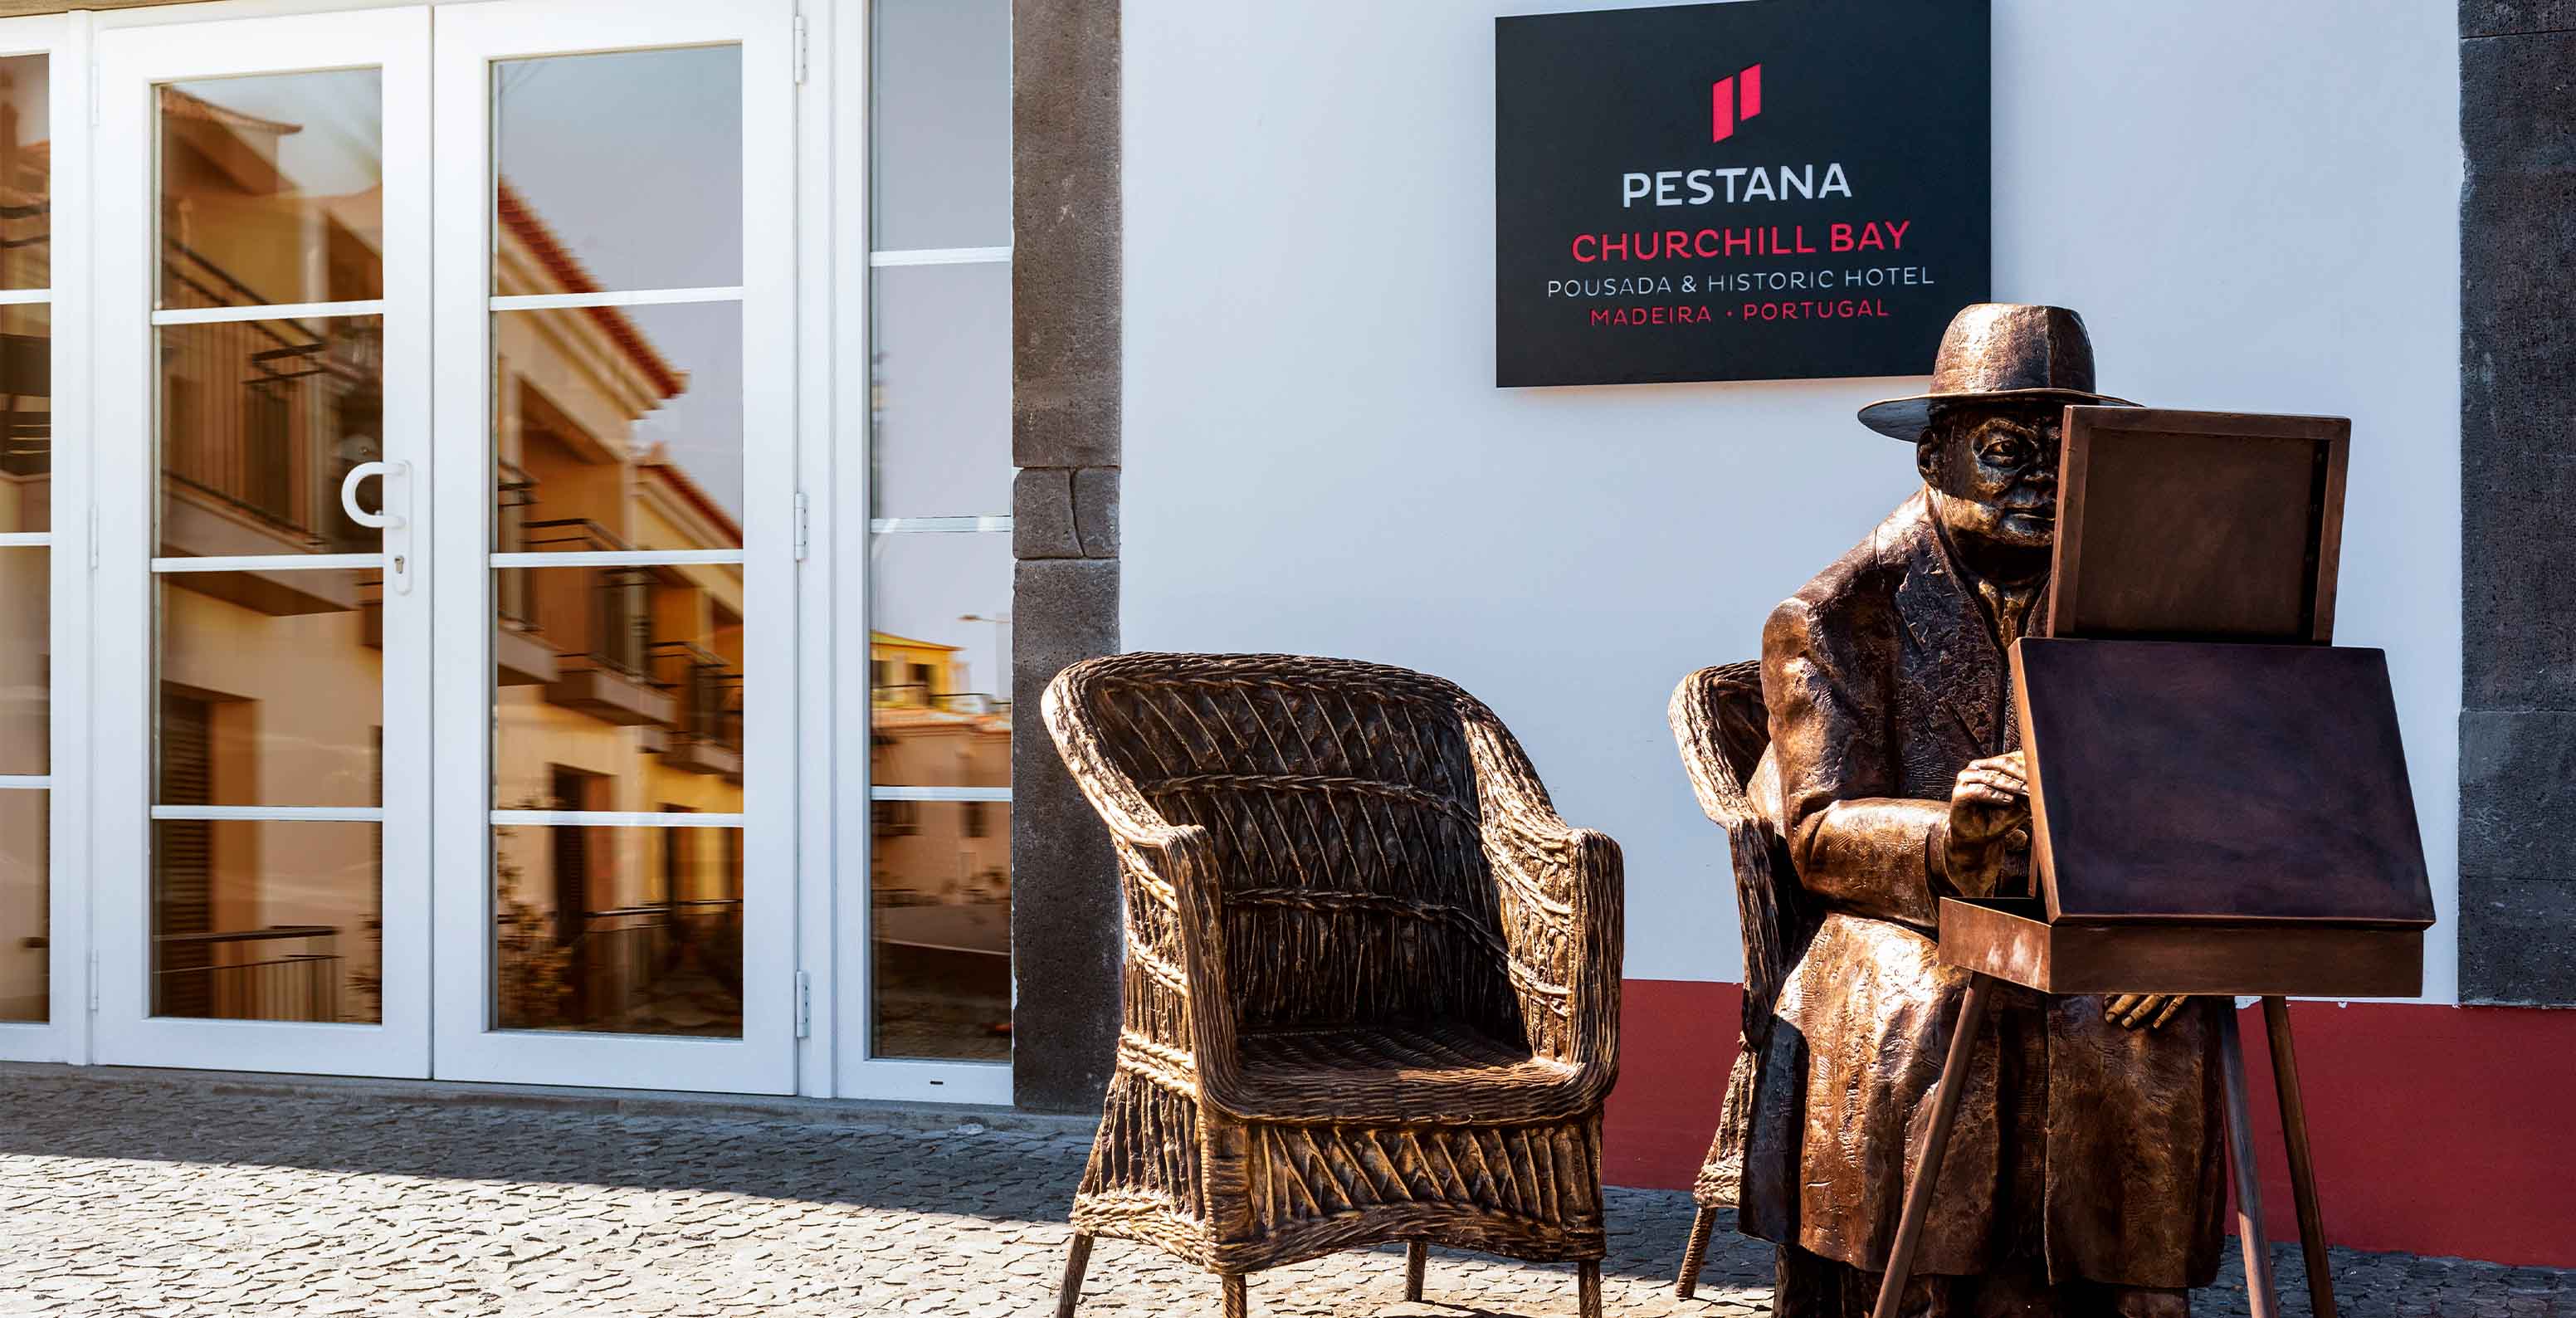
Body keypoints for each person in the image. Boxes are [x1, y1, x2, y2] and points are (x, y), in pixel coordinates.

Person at [1741, 303, 2225, 1316]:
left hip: (2078, 907)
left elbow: (2191, 782)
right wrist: (1942, 840)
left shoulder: (2131, 600)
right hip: (1902, 916)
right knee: (1935, 1001)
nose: (2043, 477)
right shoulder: (1835, 615)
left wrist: (2175, 928)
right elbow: (1817, 832)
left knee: (2146, 1011)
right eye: (2006, 451)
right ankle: (1922, 1292)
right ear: (1934, 456)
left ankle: (2133, 1299)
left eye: (2067, 449)